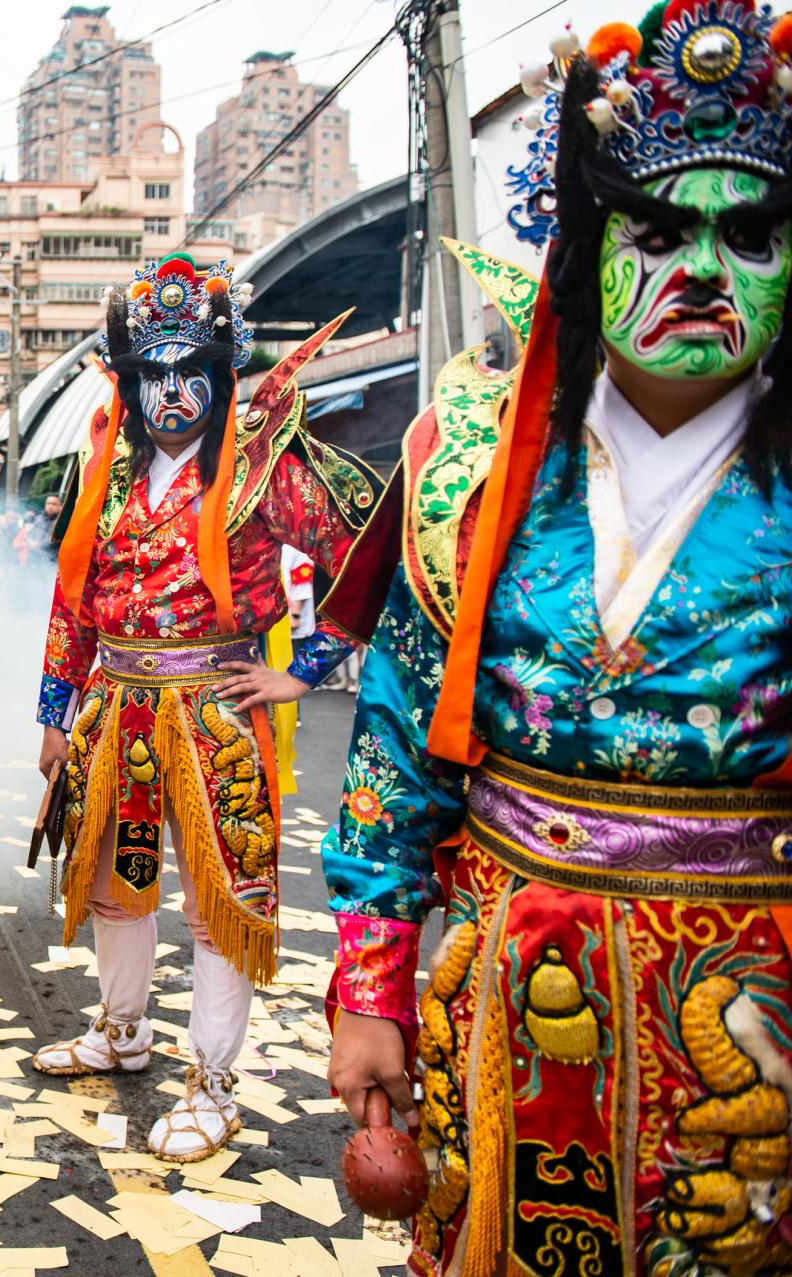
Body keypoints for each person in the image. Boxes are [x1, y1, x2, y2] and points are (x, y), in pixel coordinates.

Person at [321, 9, 792, 1272]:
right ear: (585, 247)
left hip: (752, 1003)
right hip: (503, 975)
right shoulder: (469, 457)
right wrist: (368, 979)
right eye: (655, 229)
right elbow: (395, 737)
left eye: (746, 233)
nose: (700, 268)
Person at [32, 253, 379, 1162]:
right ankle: (122, 1029)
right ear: (133, 379)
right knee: (114, 883)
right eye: (155, 373)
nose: (173, 392)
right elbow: (73, 596)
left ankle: (214, 1082)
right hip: (116, 711)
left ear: (221, 376)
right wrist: (55, 711)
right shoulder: (103, 468)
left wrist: (305, 666)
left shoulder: (265, 464)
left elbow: (371, 555)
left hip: (217, 713)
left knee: (218, 900)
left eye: (192, 371)